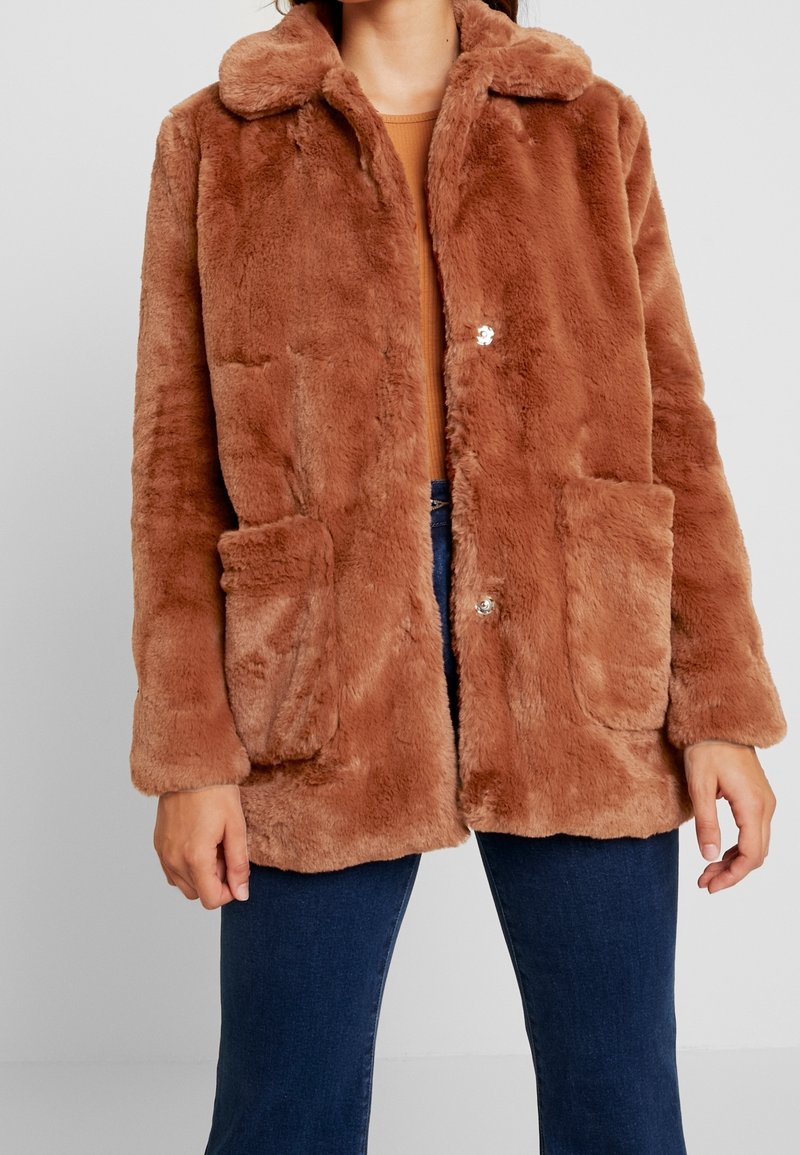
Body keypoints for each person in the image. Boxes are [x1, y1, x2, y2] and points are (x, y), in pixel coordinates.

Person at [129, 0, 787, 1150]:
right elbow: (172, 468)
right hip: (313, 652)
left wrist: (718, 708)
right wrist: (188, 756)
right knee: (282, 1100)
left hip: (578, 637)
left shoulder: (587, 121)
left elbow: (674, 429)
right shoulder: (216, 137)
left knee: (618, 1096)